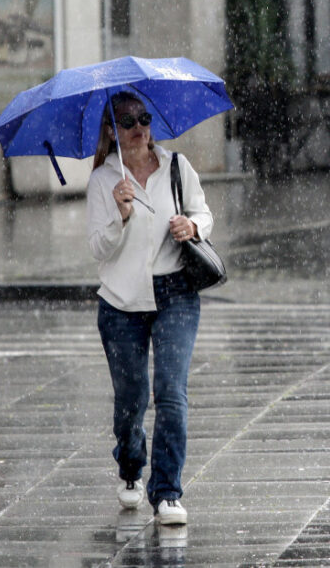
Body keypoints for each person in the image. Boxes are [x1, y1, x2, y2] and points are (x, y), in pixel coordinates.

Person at [86, 90, 213, 526]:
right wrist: (120, 216)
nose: (138, 127)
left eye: (143, 118)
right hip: (121, 303)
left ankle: (166, 491)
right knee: (131, 402)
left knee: (172, 394)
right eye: (126, 121)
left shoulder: (177, 167)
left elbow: (204, 213)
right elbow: (98, 249)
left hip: (176, 292)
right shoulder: (105, 181)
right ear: (111, 131)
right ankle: (129, 465)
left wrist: (191, 225)